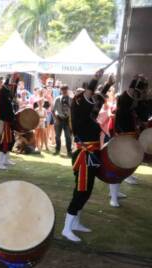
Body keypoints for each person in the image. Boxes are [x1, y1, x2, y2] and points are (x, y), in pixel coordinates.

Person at [61, 69, 114, 242]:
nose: (90, 100)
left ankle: (75, 222)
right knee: (81, 191)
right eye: (85, 97)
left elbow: (96, 101)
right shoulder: (78, 111)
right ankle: (66, 229)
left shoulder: (87, 115)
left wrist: (107, 85)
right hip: (84, 157)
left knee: (86, 190)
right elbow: (89, 96)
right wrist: (95, 79)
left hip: (90, 156)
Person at [107, 74, 149, 207]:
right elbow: (130, 93)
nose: (137, 96)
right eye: (136, 94)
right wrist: (136, 80)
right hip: (122, 140)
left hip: (129, 139)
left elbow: (143, 114)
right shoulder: (124, 102)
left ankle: (116, 193)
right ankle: (113, 197)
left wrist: (143, 89)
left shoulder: (133, 105)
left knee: (126, 166)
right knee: (118, 167)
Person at [0, 73, 20, 170]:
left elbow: (12, 94)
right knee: (4, 142)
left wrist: (15, 82)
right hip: (4, 122)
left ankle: (5, 160)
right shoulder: (3, 93)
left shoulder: (6, 95)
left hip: (8, 121)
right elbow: (10, 92)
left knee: (10, 141)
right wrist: (13, 81)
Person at [53, 85, 72, 155]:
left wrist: (71, 120)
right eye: (63, 90)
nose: (64, 91)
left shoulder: (71, 99)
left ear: (67, 90)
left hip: (67, 120)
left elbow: (73, 110)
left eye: (65, 90)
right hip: (59, 119)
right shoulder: (57, 99)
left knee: (68, 136)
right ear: (61, 91)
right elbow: (53, 110)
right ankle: (57, 150)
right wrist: (56, 119)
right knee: (57, 136)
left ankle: (69, 151)